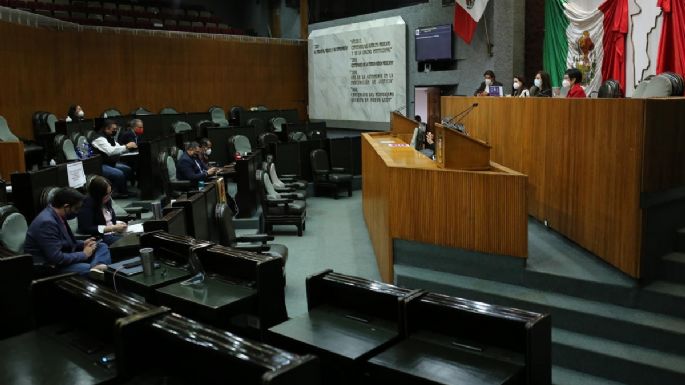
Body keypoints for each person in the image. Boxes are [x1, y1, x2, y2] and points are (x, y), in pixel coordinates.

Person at [24, 187, 111, 276]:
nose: (77, 212)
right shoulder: (46, 223)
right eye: (76, 209)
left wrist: (83, 243)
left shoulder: (57, 215)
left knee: (101, 246)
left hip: (64, 255)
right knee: (85, 267)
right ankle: (95, 270)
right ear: (66, 206)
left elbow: (62, 242)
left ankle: (96, 268)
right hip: (48, 266)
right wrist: (84, 254)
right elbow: (56, 258)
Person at [91, 119, 137, 198]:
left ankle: (123, 190)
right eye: (114, 129)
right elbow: (111, 151)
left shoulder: (110, 137)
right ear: (106, 129)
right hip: (99, 166)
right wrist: (126, 146)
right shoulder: (99, 139)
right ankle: (114, 193)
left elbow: (118, 147)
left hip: (109, 163)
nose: (115, 131)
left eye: (116, 129)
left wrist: (129, 147)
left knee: (127, 169)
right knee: (119, 174)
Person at [78, 176, 127, 246]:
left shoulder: (106, 200)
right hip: (101, 237)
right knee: (130, 241)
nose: (109, 196)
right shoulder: (87, 205)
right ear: (98, 194)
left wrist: (119, 224)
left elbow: (109, 220)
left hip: (113, 233)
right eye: (106, 194)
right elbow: (86, 228)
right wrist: (112, 228)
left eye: (110, 193)